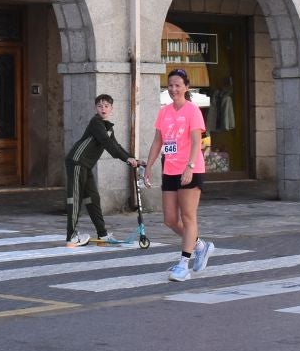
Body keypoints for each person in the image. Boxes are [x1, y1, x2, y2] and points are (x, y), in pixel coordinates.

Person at [144, 69, 212, 281]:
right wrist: (149, 166)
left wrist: (190, 166)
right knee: (170, 219)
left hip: (191, 169)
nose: (173, 89)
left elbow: (196, 142)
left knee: (188, 217)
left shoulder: (193, 110)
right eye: (170, 85)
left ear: (186, 87)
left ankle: (184, 265)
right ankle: (200, 246)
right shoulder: (164, 112)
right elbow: (158, 141)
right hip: (170, 170)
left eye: (177, 85)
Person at [64, 94, 140, 245]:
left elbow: (116, 146)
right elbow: (106, 143)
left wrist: (132, 159)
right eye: (99, 106)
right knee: (75, 198)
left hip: (86, 165)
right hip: (77, 162)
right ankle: (71, 236)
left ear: (111, 108)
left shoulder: (108, 128)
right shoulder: (96, 122)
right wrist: (126, 159)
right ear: (95, 108)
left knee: (93, 198)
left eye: (106, 106)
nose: (103, 109)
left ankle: (102, 235)